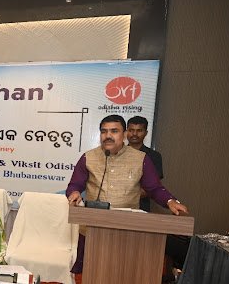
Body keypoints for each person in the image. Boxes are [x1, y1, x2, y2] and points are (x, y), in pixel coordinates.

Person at [66, 114, 188, 273]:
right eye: (104, 131)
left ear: (124, 134)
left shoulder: (140, 159)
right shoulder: (88, 157)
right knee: (90, 275)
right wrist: (74, 192)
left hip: (126, 231)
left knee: (122, 273)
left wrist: (170, 201)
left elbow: (155, 188)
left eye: (114, 131)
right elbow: (75, 184)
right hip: (92, 230)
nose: (108, 135)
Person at [126, 116, 164, 212]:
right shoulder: (117, 154)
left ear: (146, 133)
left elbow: (152, 186)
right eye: (131, 130)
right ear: (126, 132)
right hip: (116, 207)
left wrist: (124, 195)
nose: (134, 134)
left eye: (139, 130)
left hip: (141, 208)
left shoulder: (154, 156)